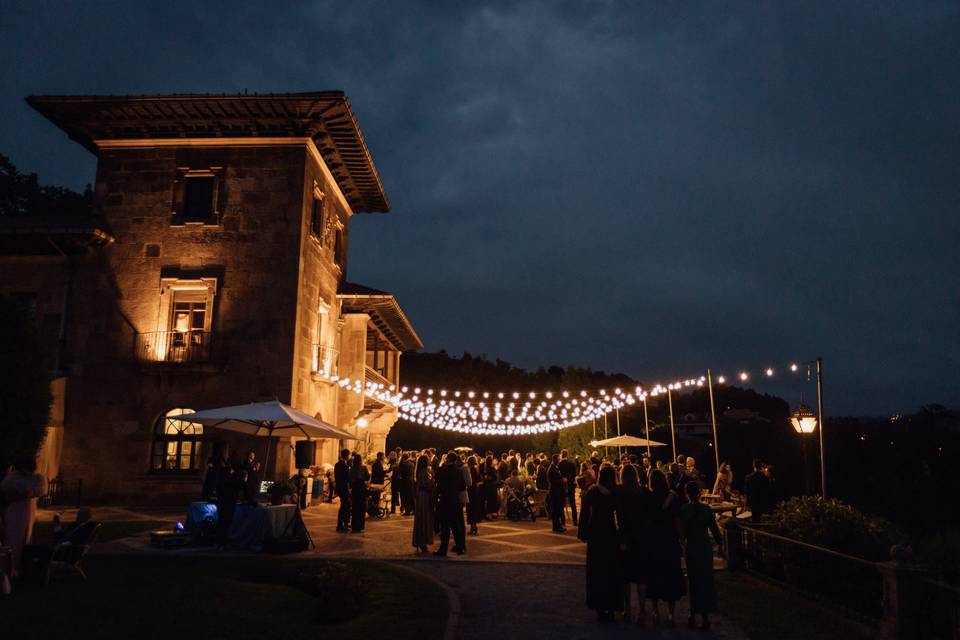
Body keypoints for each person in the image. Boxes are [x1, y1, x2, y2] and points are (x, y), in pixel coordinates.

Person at [578, 465, 622, 623]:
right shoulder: (617, 493)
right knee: (612, 570)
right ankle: (612, 606)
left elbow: (584, 513)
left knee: (596, 571)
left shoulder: (593, 492)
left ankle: (599, 607)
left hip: (596, 533)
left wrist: (583, 533)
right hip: (612, 534)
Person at [680, 480, 723, 631]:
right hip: (705, 547)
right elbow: (715, 530)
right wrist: (720, 543)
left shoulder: (684, 510)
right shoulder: (706, 509)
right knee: (706, 580)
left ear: (686, 493)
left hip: (692, 547)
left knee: (694, 582)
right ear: (699, 493)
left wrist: (681, 544)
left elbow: (682, 533)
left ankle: (694, 613)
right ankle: (705, 616)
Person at [646, 469, 685, 626]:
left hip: (653, 539)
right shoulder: (672, 497)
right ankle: (670, 613)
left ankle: (655, 610)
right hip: (669, 539)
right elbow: (677, 520)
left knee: (655, 574)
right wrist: (681, 538)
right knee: (671, 574)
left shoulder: (648, 497)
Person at [616, 463, 651, 625]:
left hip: (625, 538)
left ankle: (627, 609)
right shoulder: (644, 491)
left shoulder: (620, 492)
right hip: (642, 537)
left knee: (626, 577)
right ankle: (642, 611)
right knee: (641, 576)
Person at [1, 458, 47, 579]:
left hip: (28, 512)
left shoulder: (37, 478)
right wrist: (22, 494)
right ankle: (11, 567)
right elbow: (7, 493)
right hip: (16, 511)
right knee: (13, 538)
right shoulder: (14, 478)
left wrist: (29, 493)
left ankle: (22, 566)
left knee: (26, 537)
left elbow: (39, 491)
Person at [435, 452, 467, 556]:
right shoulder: (459, 471)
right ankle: (460, 548)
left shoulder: (443, 470)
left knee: (445, 527)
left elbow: (438, 484)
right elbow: (462, 486)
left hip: (445, 500)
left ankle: (443, 549)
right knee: (455, 525)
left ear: (447, 459)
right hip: (455, 500)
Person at [412, 454, 435, 552]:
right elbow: (427, 484)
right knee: (425, 518)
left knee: (420, 518)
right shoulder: (424, 472)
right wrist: (433, 480)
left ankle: (419, 541)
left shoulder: (418, 471)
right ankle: (423, 542)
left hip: (421, 495)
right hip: (425, 496)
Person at [349, 453, 370, 533]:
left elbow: (349, 479)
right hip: (361, 489)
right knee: (361, 508)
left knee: (354, 508)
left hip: (355, 490)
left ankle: (354, 526)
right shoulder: (363, 468)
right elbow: (368, 477)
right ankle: (360, 526)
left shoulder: (352, 469)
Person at [558, 449, 578, 526]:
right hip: (571, 486)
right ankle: (575, 521)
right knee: (573, 503)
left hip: (562, 487)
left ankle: (563, 521)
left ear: (561, 455)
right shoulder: (571, 464)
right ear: (567, 455)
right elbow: (574, 475)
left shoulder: (559, 465)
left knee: (562, 504)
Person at [547, 454, 566, 532]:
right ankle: (556, 527)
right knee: (555, 510)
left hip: (558, 492)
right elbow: (554, 481)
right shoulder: (552, 469)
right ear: (555, 460)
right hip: (555, 492)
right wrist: (563, 480)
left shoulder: (555, 467)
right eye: (558, 459)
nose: (559, 461)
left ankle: (558, 525)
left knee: (558, 510)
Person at [334, 449, 351, 532]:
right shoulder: (343, 465)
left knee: (345, 505)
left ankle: (344, 523)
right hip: (343, 488)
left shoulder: (338, 464)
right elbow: (346, 478)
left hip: (340, 487)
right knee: (344, 506)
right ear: (347, 455)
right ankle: (340, 525)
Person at [466, 455, 483, 535]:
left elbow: (469, 482)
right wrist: (477, 485)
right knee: (474, 510)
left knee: (471, 510)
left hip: (470, 491)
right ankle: (474, 526)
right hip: (476, 492)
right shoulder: (476, 470)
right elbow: (481, 481)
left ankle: (473, 527)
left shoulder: (470, 470)